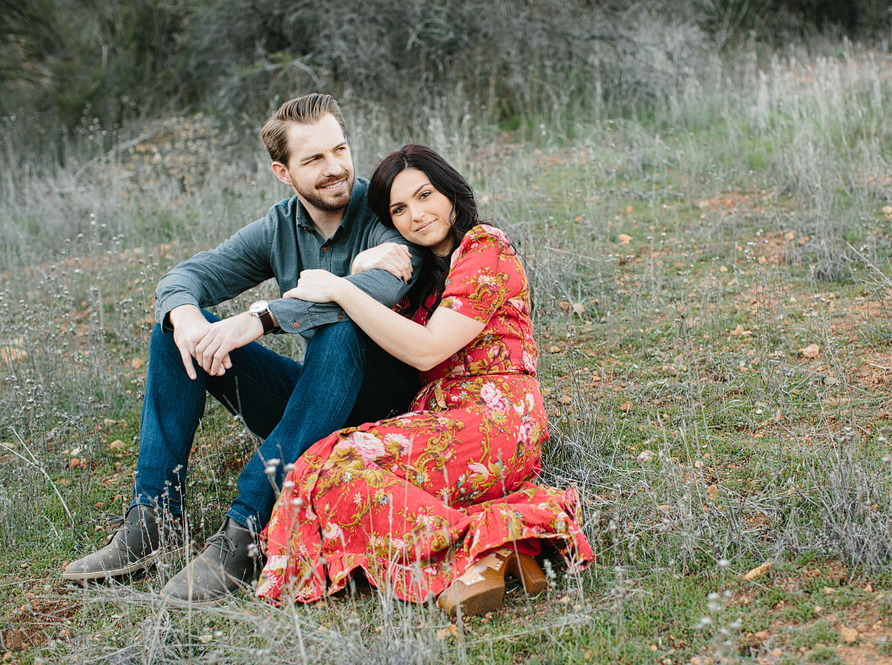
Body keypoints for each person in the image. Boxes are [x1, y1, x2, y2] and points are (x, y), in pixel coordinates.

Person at [61, 93, 423, 604]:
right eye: (314, 159)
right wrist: (185, 316)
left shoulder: (383, 209)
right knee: (175, 331)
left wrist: (262, 317)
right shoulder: (279, 227)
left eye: (339, 149)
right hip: (313, 405)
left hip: (385, 411)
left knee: (342, 328)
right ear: (283, 171)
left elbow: (385, 287)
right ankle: (155, 515)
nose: (335, 168)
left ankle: (246, 528)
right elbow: (186, 276)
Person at [253, 144, 591, 617]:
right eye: (399, 209)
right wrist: (359, 268)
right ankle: (494, 544)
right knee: (321, 467)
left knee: (331, 465)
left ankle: (475, 548)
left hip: (496, 422)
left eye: (425, 195)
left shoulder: (485, 247)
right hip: (440, 420)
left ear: (450, 192)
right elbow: (373, 334)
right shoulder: (420, 273)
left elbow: (429, 348)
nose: (416, 214)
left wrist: (342, 287)